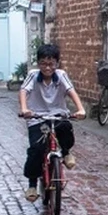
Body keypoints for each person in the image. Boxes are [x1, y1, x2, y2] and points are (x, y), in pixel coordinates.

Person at [18, 43, 86, 202]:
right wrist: (24, 109)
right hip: (37, 117)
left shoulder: (61, 75)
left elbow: (71, 91)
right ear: (38, 63)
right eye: (43, 63)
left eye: (51, 64)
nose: (47, 67)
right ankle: (32, 184)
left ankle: (66, 152)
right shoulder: (33, 75)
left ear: (57, 63)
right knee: (36, 148)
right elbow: (23, 91)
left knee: (66, 128)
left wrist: (80, 109)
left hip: (58, 115)